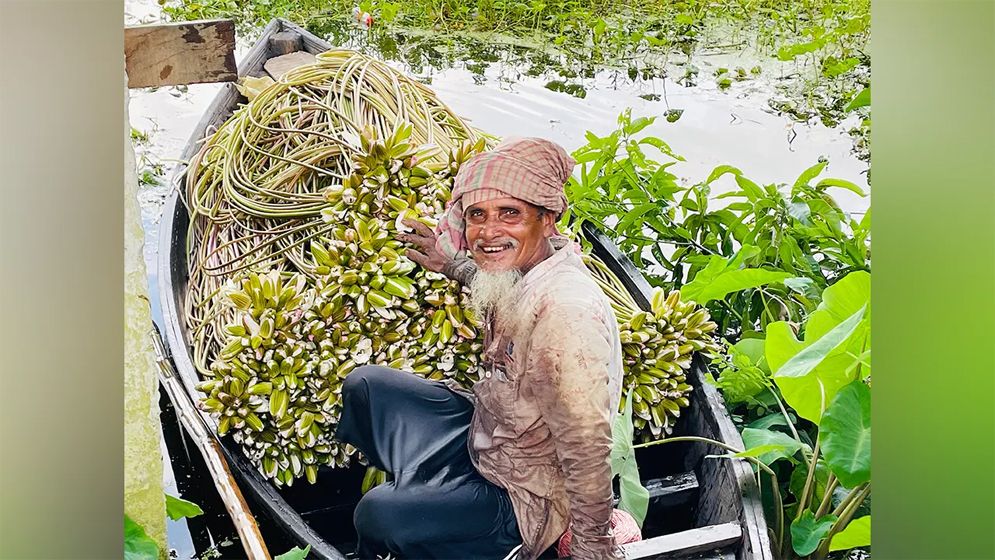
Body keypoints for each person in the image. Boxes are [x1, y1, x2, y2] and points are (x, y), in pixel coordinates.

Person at [334, 137, 625, 560]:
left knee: (378, 516)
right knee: (367, 387)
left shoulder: (566, 312)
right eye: (477, 216)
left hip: (530, 492)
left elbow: (586, 443)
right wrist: (450, 263)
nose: (489, 232)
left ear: (547, 220)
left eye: (510, 214)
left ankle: (466, 533)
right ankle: (433, 493)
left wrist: (590, 545)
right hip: (491, 436)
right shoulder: (530, 268)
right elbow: (505, 289)